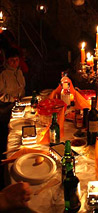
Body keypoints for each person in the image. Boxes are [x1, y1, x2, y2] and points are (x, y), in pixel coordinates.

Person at [0, 47, 26, 189]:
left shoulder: (20, 72)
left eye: (17, 60)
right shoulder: (3, 75)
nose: (15, 63)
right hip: (6, 107)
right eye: (12, 60)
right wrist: (12, 98)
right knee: (9, 132)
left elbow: (22, 88)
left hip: (19, 104)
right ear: (7, 61)